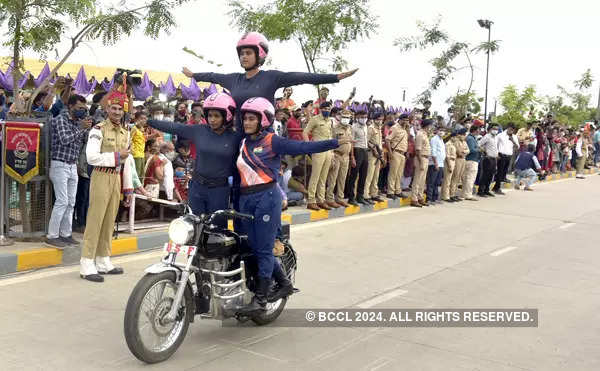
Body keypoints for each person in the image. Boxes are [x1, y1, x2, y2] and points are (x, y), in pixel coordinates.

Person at [235, 97, 348, 312]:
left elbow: (303, 145)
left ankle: (260, 300)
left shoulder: (272, 140)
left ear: (264, 120)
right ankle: (285, 284)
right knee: (253, 247)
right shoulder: (243, 143)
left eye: (251, 118)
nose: (247, 123)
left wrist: (332, 143)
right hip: (245, 199)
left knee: (265, 249)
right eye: (245, 119)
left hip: (266, 198)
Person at [182, 32, 358, 131]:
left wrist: (335, 77)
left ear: (260, 54)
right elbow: (213, 75)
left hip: (263, 136)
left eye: (248, 53)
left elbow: (302, 77)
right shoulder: (233, 79)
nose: (244, 57)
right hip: (237, 134)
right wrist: (194, 75)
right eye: (241, 53)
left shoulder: (271, 77)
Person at [146, 92, 241, 219]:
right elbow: (174, 127)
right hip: (197, 187)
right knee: (194, 226)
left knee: (217, 229)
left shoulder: (235, 137)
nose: (212, 119)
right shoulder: (200, 130)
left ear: (227, 116)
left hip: (219, 190)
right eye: (210, 115)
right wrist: (148, 121)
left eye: (217, 116)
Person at [80, 90, 130, 283]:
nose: (117, 112)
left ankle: (103, 259)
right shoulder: (98, 129)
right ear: (107, 109)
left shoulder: (125, 132)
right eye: (114, 108)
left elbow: (127, 160)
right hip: (101, 176)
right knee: (95, 219)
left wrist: (128, 186)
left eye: (120, 109)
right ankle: (86, 263)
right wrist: (117, 157)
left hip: (116, 177)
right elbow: (92, 157)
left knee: (109, 219)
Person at [45, 94, 91, 248]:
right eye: (79, 108)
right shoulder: (60, 119)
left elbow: (80, 143)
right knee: (62, 201)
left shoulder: (78, 122)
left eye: (83, 109)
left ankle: (66, 234)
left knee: (71, 202)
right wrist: (81, 129)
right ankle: (52, 235)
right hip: (59, 164)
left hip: (72, 165)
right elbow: (65, 139)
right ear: (70, 106)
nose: (81, 111)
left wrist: (85, 129)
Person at [303, 101, 335, 210]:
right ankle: (311, 200)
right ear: (321, 109)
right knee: (315, 176)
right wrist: (309, 147)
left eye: (329, 109)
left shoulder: (330, 121)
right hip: (318, 150)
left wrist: (332, 151)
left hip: (328, 151)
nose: (327, 111)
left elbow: (330, 136)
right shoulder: (315, 119)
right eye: (325, 109)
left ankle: (321, 199)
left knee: (324, 177)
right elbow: (305, 132)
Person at [325, 109, 353, 208]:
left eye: (348, 118)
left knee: (342, 178)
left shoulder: (350, 128)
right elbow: (330, 142)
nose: (346, 119)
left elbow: (351, 142)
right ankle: (329, 198)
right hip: (337, 154)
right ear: (340, 117)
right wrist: (332, 155)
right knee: (332, 179)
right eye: (344, 117)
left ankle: (340, 198)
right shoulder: (335, 128)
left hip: (346, 156)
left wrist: (351, 156)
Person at [346, 106, 370, 206]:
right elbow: (351, 143)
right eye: (362, 117)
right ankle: (351, 197)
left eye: (365, 117)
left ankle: (360, 196)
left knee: (363, 175)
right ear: (357, 117)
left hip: (365, 150)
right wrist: (352, 157)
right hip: (357, 150)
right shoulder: (353, 127)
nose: (364, 118)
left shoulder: (366, 126)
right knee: (354, 175)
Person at [411, 119, 433, 207]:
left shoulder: (425, 134)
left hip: (426, 158)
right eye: (430, 125)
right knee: (417, 179)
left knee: (422, 180)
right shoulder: (420, 134)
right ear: (427, 125)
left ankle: (420, 197)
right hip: (421, 158)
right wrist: (421, 162)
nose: (431, 127)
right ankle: (414, 199)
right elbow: (418, 149)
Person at [385, 113, 409, 199]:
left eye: (407, 120)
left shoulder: (405, 129)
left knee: (399, 174)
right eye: (405, 120)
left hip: (402, 153)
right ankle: (390, 191)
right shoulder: (395, 128)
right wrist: (390, 153)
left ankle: (397, 190)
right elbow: (387, 140)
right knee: (393, 173)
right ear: (400, 119)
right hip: (395, 152)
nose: (406, 122)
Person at [364, 112, 385, 203]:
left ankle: (374, 193)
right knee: (369, 175)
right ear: (375, 119)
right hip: (372, 154)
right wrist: (374, 150)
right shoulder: (371, 128)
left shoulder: (379, 129)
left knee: (376, 175)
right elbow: (366, 141)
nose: (380, 121)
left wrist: (381, 154)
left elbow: (379, 143)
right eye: (379, 119)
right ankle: (366, 194)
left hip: (378, 155)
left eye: (381, 119)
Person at [493, 123, 517, 194]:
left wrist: (512, 140)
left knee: (504, 173)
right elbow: (495, 144)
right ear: (508, 128)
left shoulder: (514, 137)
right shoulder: (500, 135)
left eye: (513, 130)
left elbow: (517, 146)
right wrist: (497, 153)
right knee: (500, 172)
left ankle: (496, 187)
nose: (511, 131)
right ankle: (497, 188)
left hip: (509, 156)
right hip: (501, 155)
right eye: (510, 129)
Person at [477, 124, 500, 197]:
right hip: (488, 158)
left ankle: (487, 190)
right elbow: (479, 144)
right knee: (485, 175)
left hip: (494, 158)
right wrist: (484, 152)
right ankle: (481, 191)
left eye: (497, 129)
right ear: (490, 129)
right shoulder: (487, 136)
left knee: (491, 175)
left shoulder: (496, 137)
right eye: (494, 129)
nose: (495, 130)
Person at [460, 125, 481, 201]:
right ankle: (468, 194)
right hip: (471, 160)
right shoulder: (470, 139)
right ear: (475, 130)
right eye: (478, 129)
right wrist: (479, 149)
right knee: (470, 178)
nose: (479, 131)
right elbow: (471, 150)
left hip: (469, 160)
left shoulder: (470, 138)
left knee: (466, 178)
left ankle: (464, 193)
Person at [426, 125, 446, 204]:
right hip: (435, 163)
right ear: (437, 130)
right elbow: (433, 152)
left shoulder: (441, 140)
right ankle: (429, 199)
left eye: (443, 130)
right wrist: (436, 163)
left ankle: (435, 198)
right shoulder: (434, 139)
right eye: (440, 130)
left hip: (441, 164)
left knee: (437, 182)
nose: (442, 132)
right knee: (431, 182)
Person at [449, 127, 469, 201]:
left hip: (463, 160)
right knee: (455, 177)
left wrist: (464, 152)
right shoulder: (456, 141)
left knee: (459, 178)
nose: (464, 136)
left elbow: (468, 150)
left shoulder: (464, 142)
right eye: (463, 134)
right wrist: (464, 151)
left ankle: (454, 193)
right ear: (460, 135)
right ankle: (451, 194)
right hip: (458, 160)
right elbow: (459, 152)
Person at [441, 131, 457, 202]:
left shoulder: (453, 144)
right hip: (449, 161)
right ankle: (445, 196)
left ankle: (448, 195)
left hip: (453, 161)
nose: (456, 138)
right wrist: (450, 165)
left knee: (449, 180)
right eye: (455, 137)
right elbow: (447, 156)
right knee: (447, 180)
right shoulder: (448, 144)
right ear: (452, 137)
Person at [131, 111, 148, 178]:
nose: (143, 120)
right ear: (136, 119)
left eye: (145, 119)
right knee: (136, 176)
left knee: (141, 175)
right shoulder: (133, 128)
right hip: (135, 155)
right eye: (141, 118)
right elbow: (129, 139)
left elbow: (143, 139)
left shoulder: (142, 129)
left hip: (141, 155)